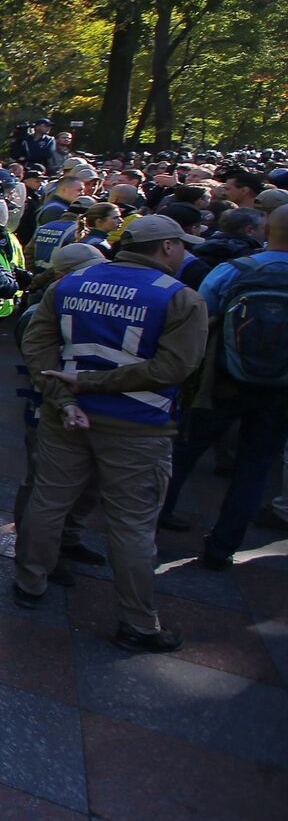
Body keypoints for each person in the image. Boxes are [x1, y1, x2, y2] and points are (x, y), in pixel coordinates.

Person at [16, 214, 205, 649]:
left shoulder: (71, 283)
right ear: (167, 248)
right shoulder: (180, 299)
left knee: (48, 500)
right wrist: (91, 385)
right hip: (137, 426)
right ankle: (138, 622)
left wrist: (65, 398)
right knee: (133, 525)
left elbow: (37, 348)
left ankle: (29, 583)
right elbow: (175, 368)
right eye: (181, 245)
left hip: (65, 417)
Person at [159, 204, 288, 565]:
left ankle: (152, 519)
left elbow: (198, 319)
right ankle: (222, 548)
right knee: (255, 467)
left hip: (221, 380)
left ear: (265, 230)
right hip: (280, 390)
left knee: (184, 450)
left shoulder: (233, 271)